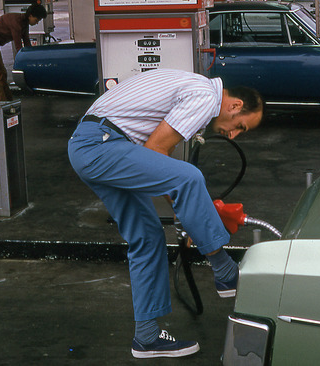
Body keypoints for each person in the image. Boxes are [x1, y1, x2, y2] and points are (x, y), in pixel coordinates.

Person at [67, 69, 264, 359]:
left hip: (94, 146)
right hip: (101, 144)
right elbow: (157, 151)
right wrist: (197, 213)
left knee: (147, 236)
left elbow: (158, 166)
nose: (233, 134)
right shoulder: (206, 96)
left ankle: (146, 337)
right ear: (235, 106)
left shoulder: (195, 88)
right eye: (241, 127)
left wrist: (198, 214)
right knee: (190, 178)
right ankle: (224, 271)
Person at [0, 1, 47, 101]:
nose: (36, 22)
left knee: (2, 73)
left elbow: (27, 44)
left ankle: (7, 100)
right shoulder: (16, 22)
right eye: (36, 20)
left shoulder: (24, 23)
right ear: (30, 15)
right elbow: (18, 47)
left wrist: (32, 58)